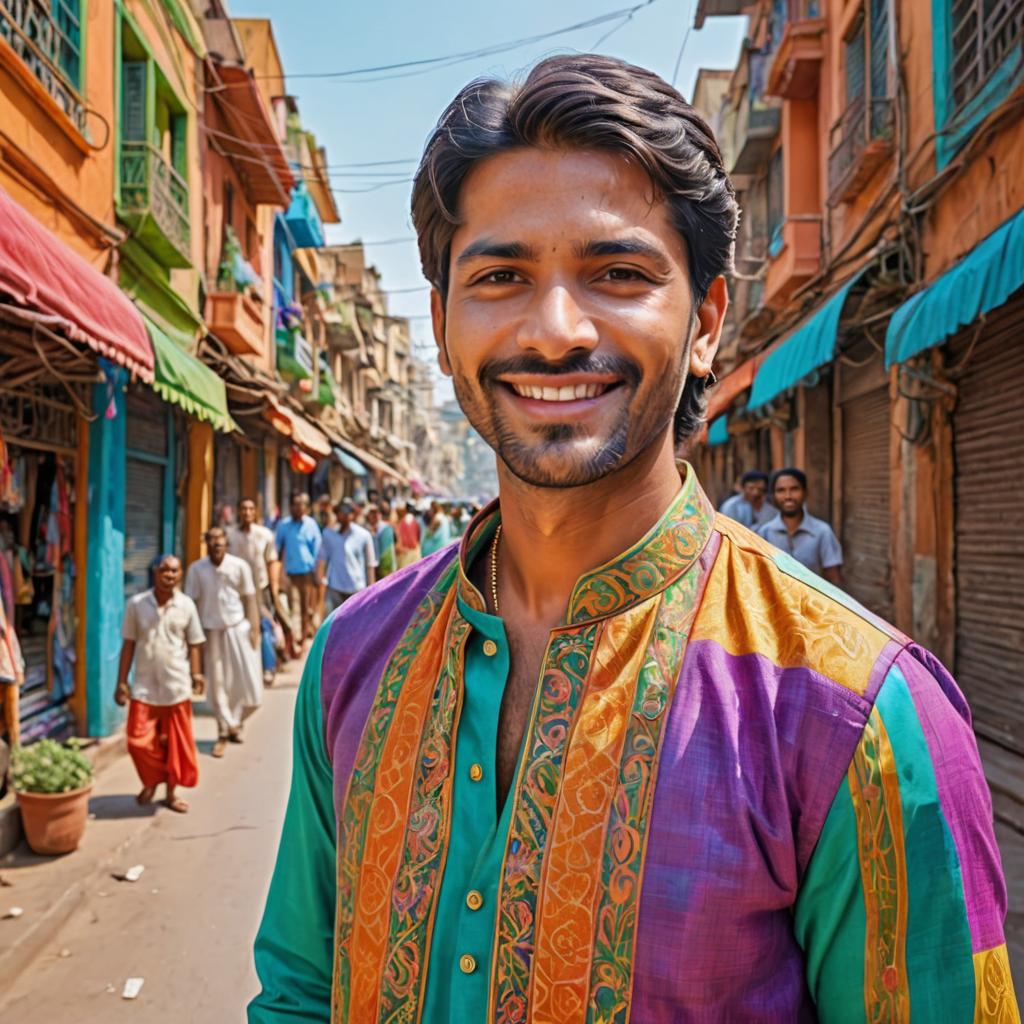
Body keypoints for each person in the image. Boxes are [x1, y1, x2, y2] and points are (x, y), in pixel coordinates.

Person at [250, 55, 1016, 1023]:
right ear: (442, 326)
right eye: (501, 275)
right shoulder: (351, 662)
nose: (557, 328)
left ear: (703, 322)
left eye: (616, 273)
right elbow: (297, 995)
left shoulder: (859, 721)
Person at [115, 554, 204, 813]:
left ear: (180, 575)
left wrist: (197, 675)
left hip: (176, 685)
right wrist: (121, 682)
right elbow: (128, 644)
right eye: (164, 570)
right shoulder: (136, 604)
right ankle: (151, 781)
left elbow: (195, 643)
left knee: (177, 746)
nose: (169, 575)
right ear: (154, 573)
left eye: (175, 571)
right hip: (144, 686)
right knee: (137, 741)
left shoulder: (187, 605)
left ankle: (170, 792)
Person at [185, 528, 262, 758]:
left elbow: (250, 597)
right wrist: (192, 641)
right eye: (212, 540)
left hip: (238, 629)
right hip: (210, 632)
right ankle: (223, 731)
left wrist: (255, 628)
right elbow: (191, 604)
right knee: (218, 685)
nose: (216, 544)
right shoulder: (196, 569)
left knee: (250, 686)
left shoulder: (239, 566)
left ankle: (234, 723)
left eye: (220, 540)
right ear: (206, 543)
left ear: (226, 543)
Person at [757, 467, 844, 587]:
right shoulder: (765, 533)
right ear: (773, 495)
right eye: (781, 490)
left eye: (794, 489)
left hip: (812, 603)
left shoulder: (822, 532)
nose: (788, 496)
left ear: (805, 492)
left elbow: (834, 578)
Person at [227, 499, 282, 685]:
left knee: (264, 626)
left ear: (255, 512)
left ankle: (268, 667)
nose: (247, 512)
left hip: (260, 588)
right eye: (243, 508)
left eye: (250, 508)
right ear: (239, 511)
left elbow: (271, 561)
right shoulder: (230, 535)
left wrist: (274, 588)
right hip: (236, 589)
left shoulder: (264, 535)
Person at [274, 492, 322, 645]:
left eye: (302, 504)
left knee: (306, 607)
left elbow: (317, 550)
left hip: (307, 572)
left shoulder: (311, 524)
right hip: (289, 573)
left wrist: (317, 573)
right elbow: (277, 550)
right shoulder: (283, 525)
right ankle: (293, 637)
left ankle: (303, 635)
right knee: (291, 605)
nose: (298, 507)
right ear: (290, 507)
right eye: (295, 504)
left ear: (306, 508)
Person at [315, 500, 377, 615]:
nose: (345, 515)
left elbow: (370, 564)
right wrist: (320, 579)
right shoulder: (328, 534)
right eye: (342, 512)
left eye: (349, 512)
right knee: (335, 622)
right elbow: (321, 558)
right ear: (337, 513)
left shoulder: (363, 535)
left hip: (356, 588)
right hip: (335, 587)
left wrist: (371, 590)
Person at [366, 504, 396, 579]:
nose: (374, 515)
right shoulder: (365, 529)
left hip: (384, 568)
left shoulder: (386, 529)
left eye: (375, 513)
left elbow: (387, 553)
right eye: (371, 513)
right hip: (372, 567)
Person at [393, 500, 421, 568]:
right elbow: (418, 538)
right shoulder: (415, 521)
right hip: (414, 552)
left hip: (404, 554)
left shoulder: (399, 523)